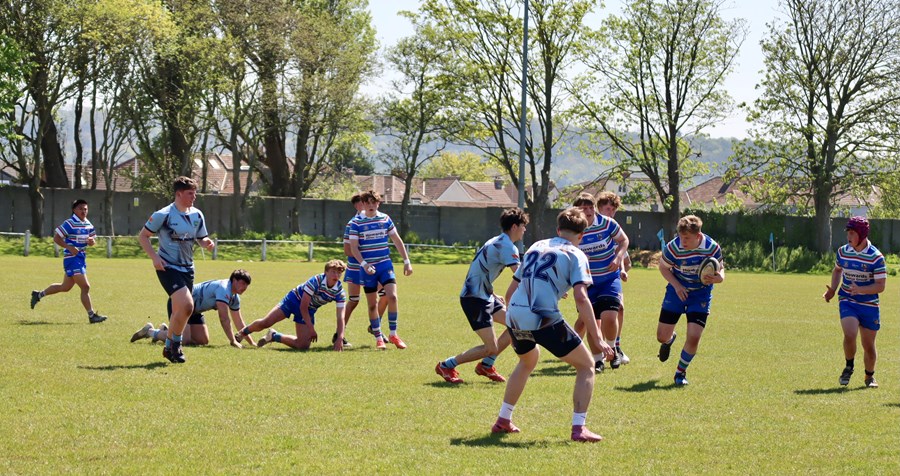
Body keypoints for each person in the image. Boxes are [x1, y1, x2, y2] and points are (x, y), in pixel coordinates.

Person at [491, 208, 615, 443]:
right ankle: (579, 428)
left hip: (515, 312)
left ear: (558, 230)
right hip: (543, 316)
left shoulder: (537, 246)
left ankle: (503, 419)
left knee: (527, 360)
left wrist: (516, 315)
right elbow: (582, 298)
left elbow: (511, 291)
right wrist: (598, 338)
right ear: (581, 236)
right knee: (587, 365)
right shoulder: (577, 254)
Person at [435, 208, 529, 384]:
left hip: (484, 295)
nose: (525, 230)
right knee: (490, 347)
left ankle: (486, 366)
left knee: (517, 325)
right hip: (474, 299)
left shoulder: (497, 240)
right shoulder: (508, 246)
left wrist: (491, 292)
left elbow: (480, 270)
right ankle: (446, 365)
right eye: (523, 226)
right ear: (514, 226)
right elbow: (521, 277)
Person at [139, 176, 215, 364]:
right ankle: (176, 345)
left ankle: (168, 348)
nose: (194, 197)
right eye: (190, 193)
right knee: (188, 305)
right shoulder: (163, 215)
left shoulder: (197, 215)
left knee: (179, 311)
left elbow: (200, 238)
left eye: (195, 193)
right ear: (179, 194)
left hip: (188, 269)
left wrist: (206, 243)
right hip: (167, 267)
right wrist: (154, 258)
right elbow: (143, 236)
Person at [656, 215, 724, 386]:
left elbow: (720, 268)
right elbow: (663, 267)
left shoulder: (712, 247)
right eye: (681, 237)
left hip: (700, 294)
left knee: (693, 337)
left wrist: (720, 278)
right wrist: (677, 286)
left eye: (687, 238)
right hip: (677, 291)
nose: (683, 241)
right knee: (661, 337)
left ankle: (680, 373)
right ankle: (669, 340)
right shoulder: (673, 247)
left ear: (698, 236)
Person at [823, 217, 885, 388]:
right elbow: (837, 270)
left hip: (869, 304)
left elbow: (881, 286)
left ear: (862, 235)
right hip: (848, 300)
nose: (848, 237)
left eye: (852, 233)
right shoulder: (843, 252)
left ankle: (869, 376)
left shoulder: (876, 257)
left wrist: (862, 289)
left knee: (869, 346)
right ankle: (849, 367)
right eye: (848, 233)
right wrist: (833, 290)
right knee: (850, 334)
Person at [571, 193, 629, 372]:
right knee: (590, 323)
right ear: (577, 210)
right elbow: (567, 252)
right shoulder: (573, 228)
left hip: (609, 278)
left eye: (591, 207)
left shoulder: (607, 223)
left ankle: (613, 350)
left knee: (610, 318)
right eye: (584, 208)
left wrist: (618, 258)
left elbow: (623, 240)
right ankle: (597, 361)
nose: (588, 211)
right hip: (586, 283)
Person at [348, 190, 413, 350]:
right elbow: (353, 248)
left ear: (378, 203)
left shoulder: (385, 219)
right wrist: (364, 264)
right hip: (367, 269)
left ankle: (393, 334)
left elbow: (397, 240)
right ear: (363, 204)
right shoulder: (356, 223)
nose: (371, 205)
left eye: (374, 202)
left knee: (392, 297)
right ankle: (378, 338)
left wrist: (407, 261)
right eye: (367, 202)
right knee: (372, 305)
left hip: (385, 265)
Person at [236, 260, 348, 351]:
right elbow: (303, 306)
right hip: (293, 300)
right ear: (326, 272)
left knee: (303, 346)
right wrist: (311, 328)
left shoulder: (339, 292)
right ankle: (242, 333)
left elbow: (341, 317)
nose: (336, 275)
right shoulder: (315, 281)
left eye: (339, 273)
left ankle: (274, 336)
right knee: (266, 322)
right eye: (333, 272)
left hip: (309, 309)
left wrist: (340, 338)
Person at [30, 199, 108, 324]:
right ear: (74, 210)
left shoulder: (87, 223)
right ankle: (92, 316)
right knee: (85, 286)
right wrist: (69, 247)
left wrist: (91, 241)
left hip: (81, 257)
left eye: (85, 209)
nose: (83, 211)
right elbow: (57, 238)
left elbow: (92, 239)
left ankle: (38, 295)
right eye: (81, 209)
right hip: (71, 258)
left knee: (65, 287)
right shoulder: (69, 223)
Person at [132, 269, 255, 348]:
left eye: (247, 285)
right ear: (234, 280)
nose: (245, 287)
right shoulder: (224, 289)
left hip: (195, 311)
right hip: (182, 304)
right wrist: (233, 341)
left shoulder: (234, 297)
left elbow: (239, 322)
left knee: (202, 340)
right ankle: (150, 331)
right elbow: (224, 318)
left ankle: (166, 330)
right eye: (243, 283)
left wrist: (252, 343)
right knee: (184, 340)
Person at [596, 191, 632, 364]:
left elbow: (626, 260)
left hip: (611, 279)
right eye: (607, 209)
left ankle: (615, 347)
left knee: (619, 309)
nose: (610, 213)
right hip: (594, 280)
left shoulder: (614, 229)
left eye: (613, 210)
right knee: (587, 320)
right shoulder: (595, 228)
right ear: (599, 209)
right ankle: (592, 349)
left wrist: (623, 270)